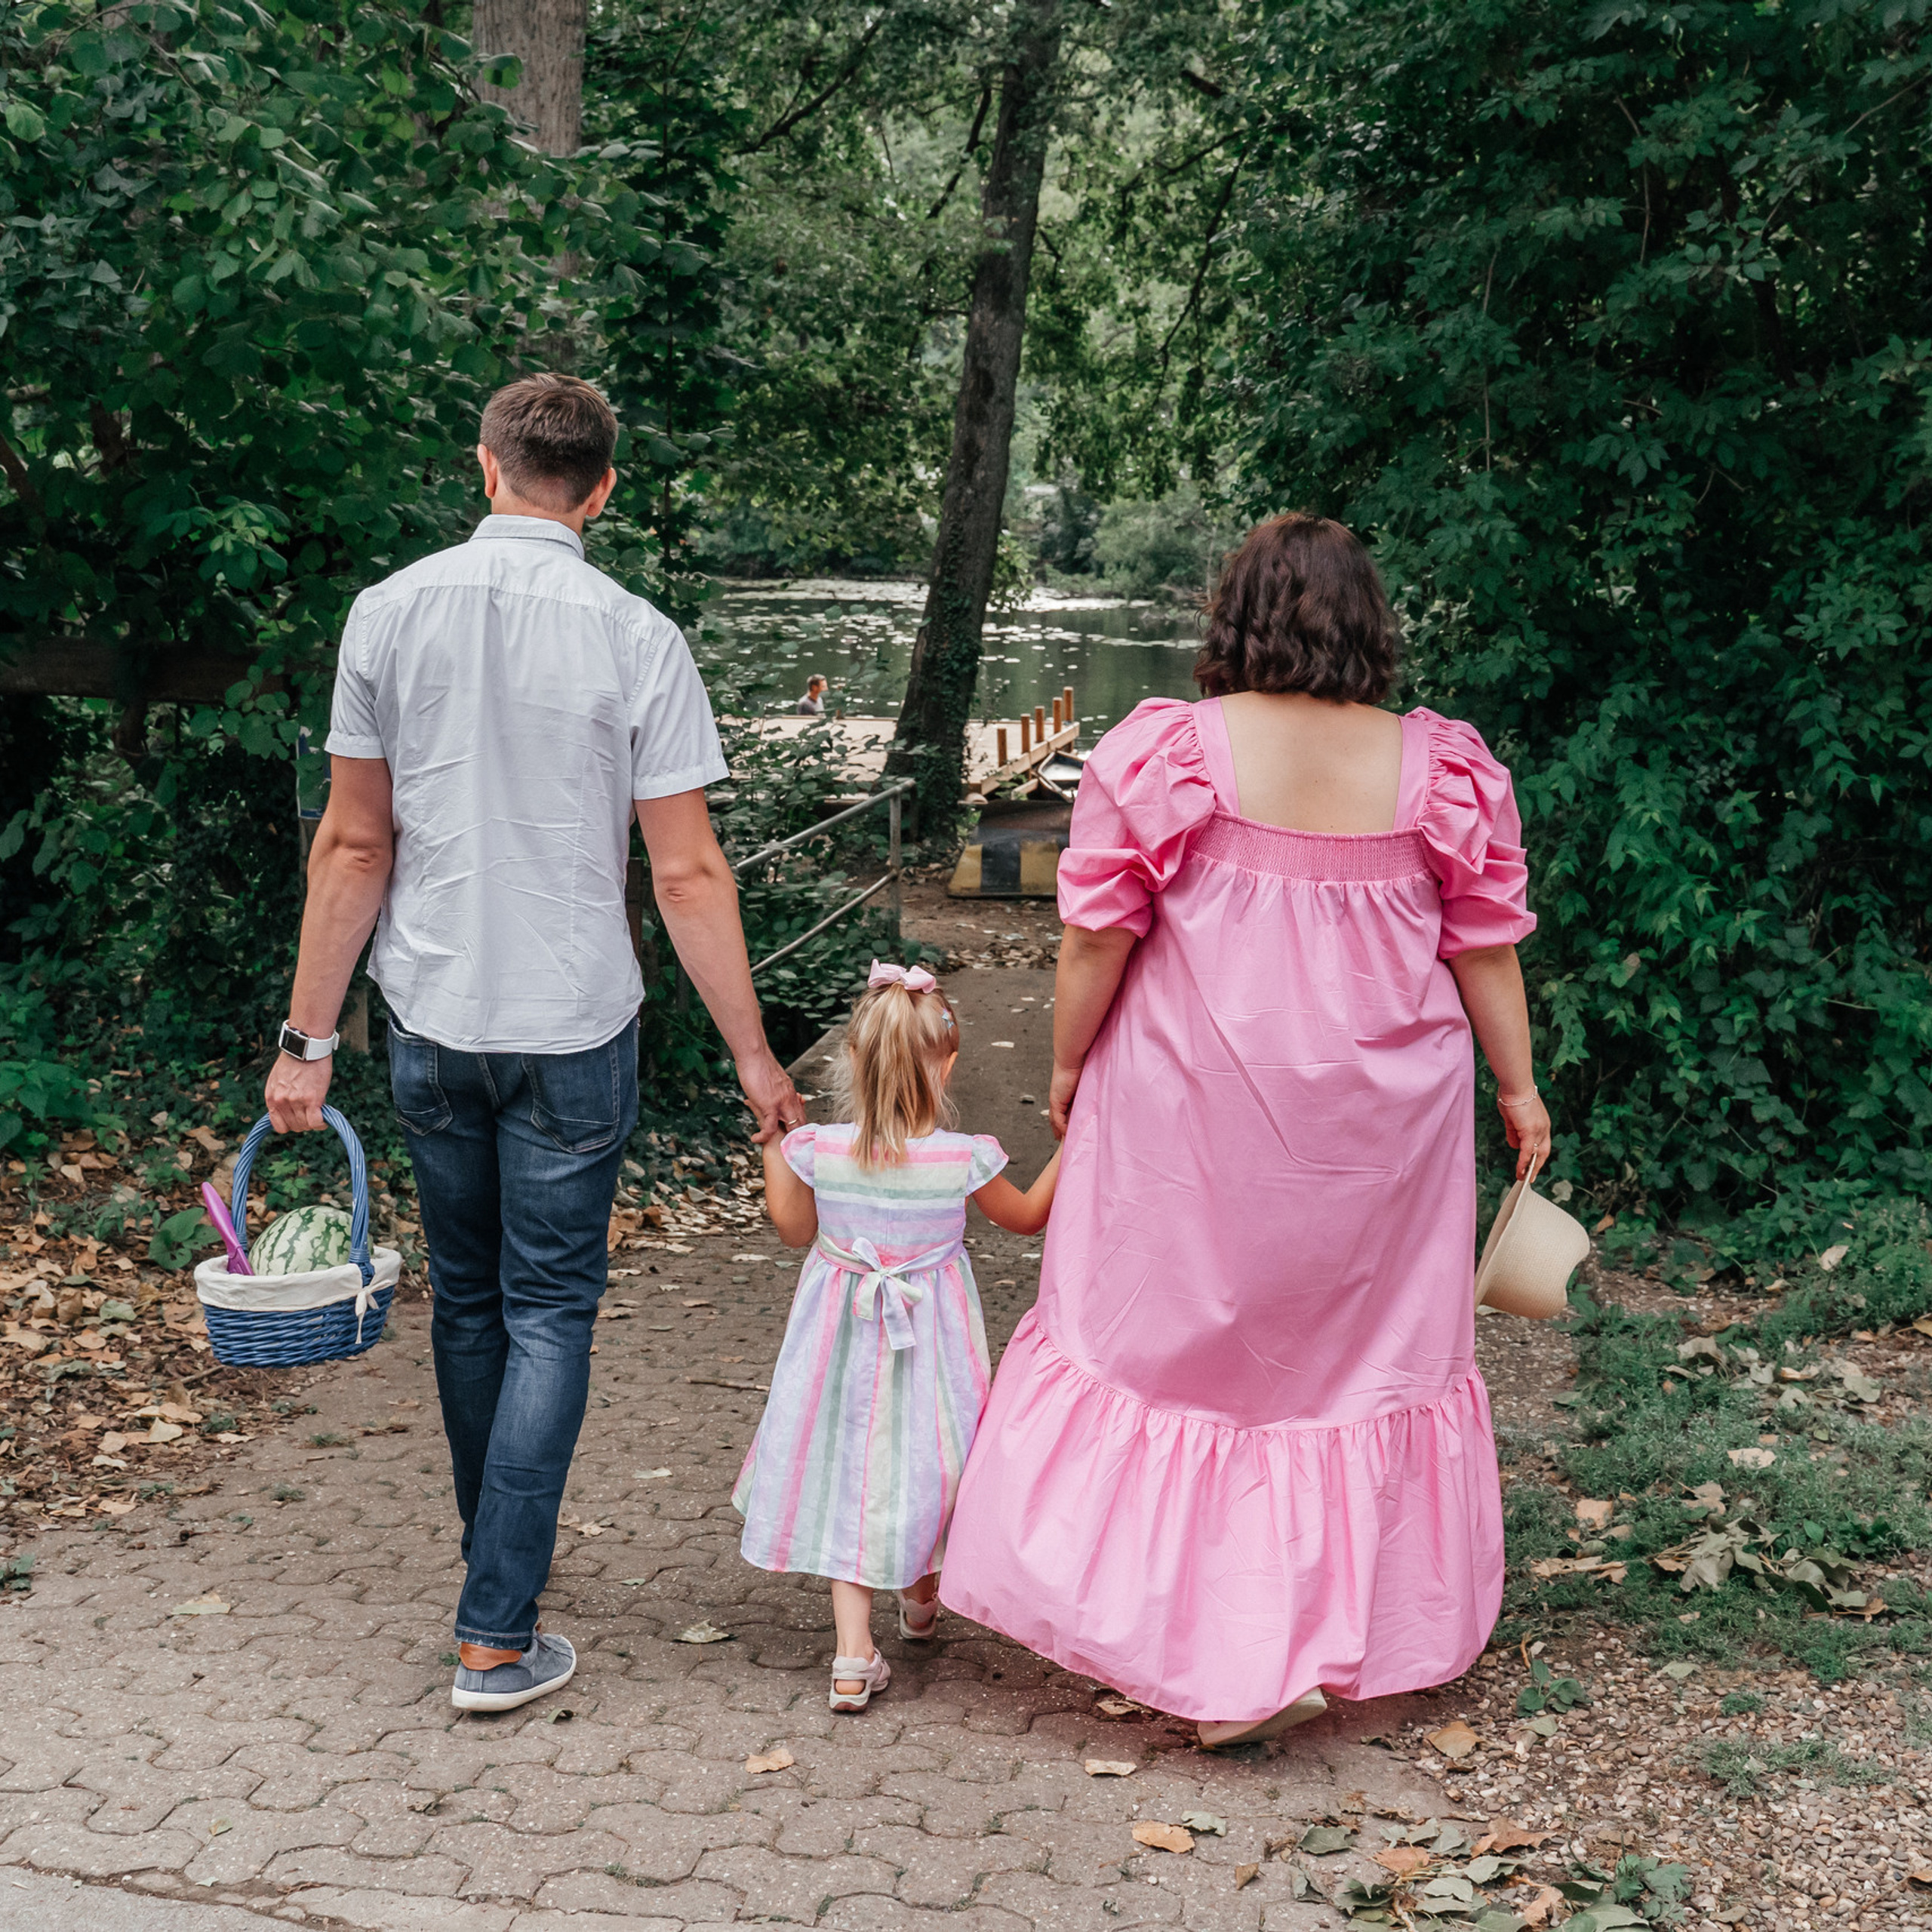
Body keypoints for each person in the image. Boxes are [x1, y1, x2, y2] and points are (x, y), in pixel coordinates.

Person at [940, 512, 1550, 1747]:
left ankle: (1191, 1647)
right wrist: (1520, 1087)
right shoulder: (1441, 767)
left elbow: (1096, 936)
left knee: (1167, 1351)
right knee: (1348, 1365)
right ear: (1368, 627)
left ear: (1238, 618)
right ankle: (1313, 1636)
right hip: (1382, 1125)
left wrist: (1066, 1066)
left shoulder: (1169, 753)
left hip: (1191, 1100)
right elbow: (1484, 944)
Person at [264, 372, 805, 1715]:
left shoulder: (387, 614)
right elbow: (688, 876)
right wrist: (752, 1058)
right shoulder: (639, 635)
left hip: (434, 1020)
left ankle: (493, 1585)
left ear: (487, 469)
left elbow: (353, 844)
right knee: (551, 1310)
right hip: (576, 1029)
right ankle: (495, 1627)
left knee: (470, 1301)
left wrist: (305, 1039)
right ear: (602, 492)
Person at [737, 961, 1062, 1712]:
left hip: (835, 1352)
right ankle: (922, 1599)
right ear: (947, 1062)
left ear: (852, 1057)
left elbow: (792, 1230)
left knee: (849, 1473)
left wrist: (771, 1147)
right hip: (931, 1353)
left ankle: (852, 1658)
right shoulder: (961, 1158)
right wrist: (1075, 1147)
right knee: (929, 1464)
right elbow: (1026, 1217)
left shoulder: (817, 1148)